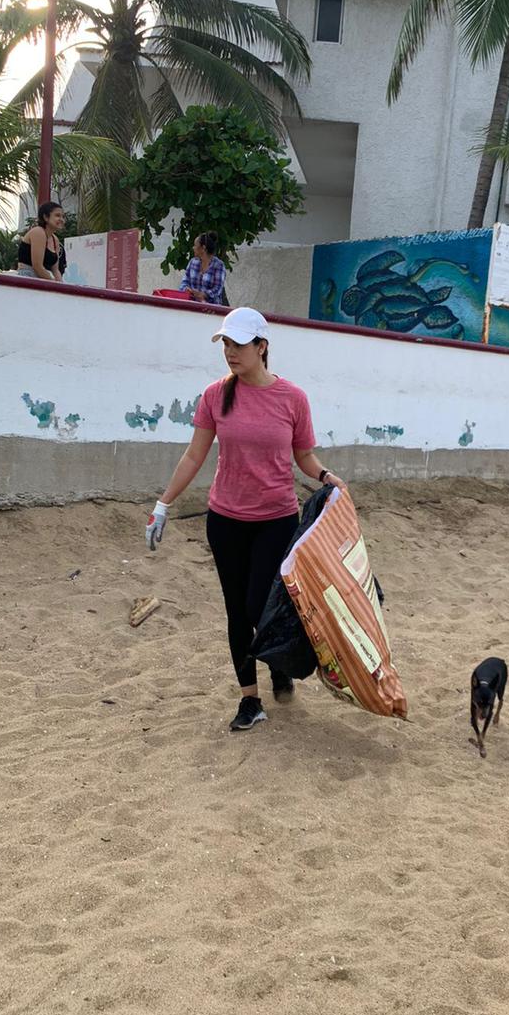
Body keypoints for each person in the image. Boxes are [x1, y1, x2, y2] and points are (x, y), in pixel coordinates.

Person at [145, 307, 345, 732]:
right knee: (236, 610)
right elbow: (194, 455)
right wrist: (164, 503)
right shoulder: (215, 395)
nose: (231, 352)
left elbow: (304, 456)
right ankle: (249, 699)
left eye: (239, 344)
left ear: (262, 346)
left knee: (260, 604)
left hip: (276, 519)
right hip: (225, 520)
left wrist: (326, 476)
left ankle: (278, 665)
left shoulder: (292, 398)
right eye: (226, 344)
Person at [17, 202, 67, 281]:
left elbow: (55, 270)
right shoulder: (38, 232)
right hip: (28, 277)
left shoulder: (55, 240)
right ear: (46, 217)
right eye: (57, 215)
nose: (61, 220)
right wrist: (53, 283)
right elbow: (37, 266)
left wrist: (60, 284)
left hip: (45, 278)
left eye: (63, 216)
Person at [179, 232, 226, 305]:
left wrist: (204, 294)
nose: (193, 248)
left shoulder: (219, 265)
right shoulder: (192, 262)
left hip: (211, 308)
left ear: (203, 248)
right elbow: (184, 281)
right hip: (191, 305)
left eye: (195, 245)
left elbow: (217, 289)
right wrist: (186, 289)